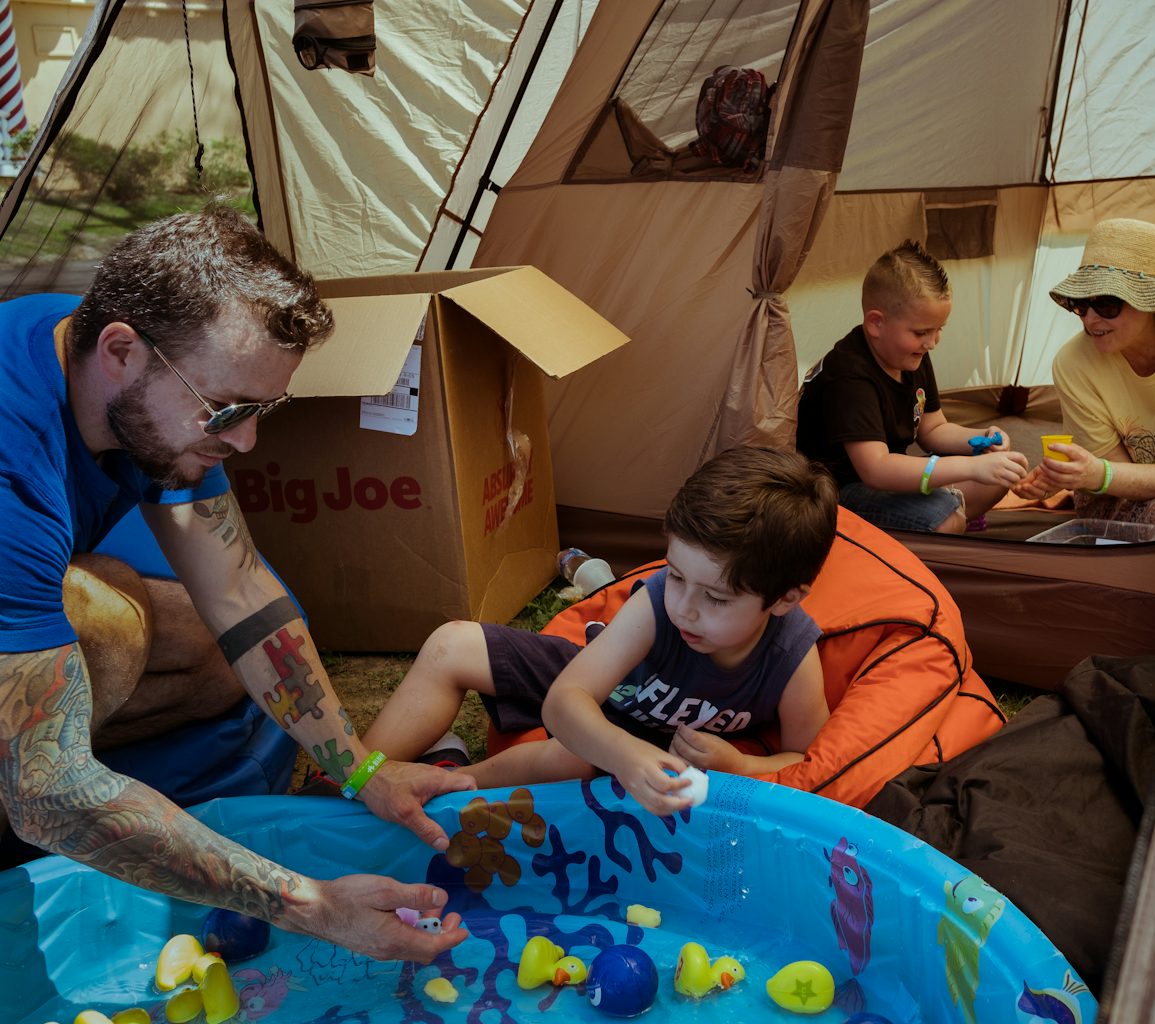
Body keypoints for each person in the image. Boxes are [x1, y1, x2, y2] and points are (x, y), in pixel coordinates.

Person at [0, 207, 476, 964]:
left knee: (196, 639)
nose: (246, 441)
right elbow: (47, 794)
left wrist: (359, 766)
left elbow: (241, 592)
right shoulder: (11, 457)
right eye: (225, 409)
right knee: (92, 637)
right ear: (121, 352)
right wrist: (311, 905)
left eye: (264, 409)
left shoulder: (103, 353)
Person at [364, 446, 838, 816]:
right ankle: (353, 774)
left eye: (715, 598)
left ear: (784, 599)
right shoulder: (657, 605)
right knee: (453, 644)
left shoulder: (791, 655)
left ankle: (449, 780)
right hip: (602, 686)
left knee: (573, 760)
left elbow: (804, 758)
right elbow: (566, 698)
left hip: (638, 740)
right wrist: (625, 755)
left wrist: (740, 767)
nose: (685, 610)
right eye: (675, 575)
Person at [1012, 218, 1155, 538]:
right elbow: (1117, 479)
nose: (1090, 319)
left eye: (1106, 304)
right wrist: (1091, 473)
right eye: (1081, 304)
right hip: (1115, 486)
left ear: (1151, 303)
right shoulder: (1073, 364)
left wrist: (1095, 472)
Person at [795, 240, 1028, 534]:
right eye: (921, 332)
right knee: (946, 518)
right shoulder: (849, 377)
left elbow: (933, 429)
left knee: (1000, 473)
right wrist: (969, 469)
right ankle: (940, 526)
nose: (932, 343)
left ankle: (945, 517)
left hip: (888, 475)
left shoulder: (911, 356)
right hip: (835, 494)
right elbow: (876, 470)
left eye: (938, 330)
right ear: (876, 323)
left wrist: (983, 437)